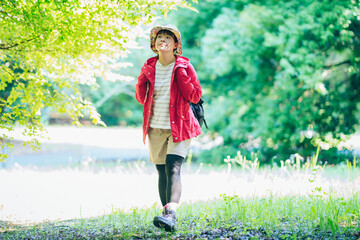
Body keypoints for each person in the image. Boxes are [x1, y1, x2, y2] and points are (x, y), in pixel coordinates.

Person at [135, 24, 202, 231]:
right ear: (154, 44)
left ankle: (171, 213)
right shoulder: (148, 67)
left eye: (167, 37)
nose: (163, 39)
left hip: (180, 125)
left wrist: (181, 74)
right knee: (162, 172)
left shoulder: (184, 66)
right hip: (155, 126)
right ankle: (167, 218)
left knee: (173, 168)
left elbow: (195, 95)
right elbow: (140, 97)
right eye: (159, 37)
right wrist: (141, 80)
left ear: (175, 45)